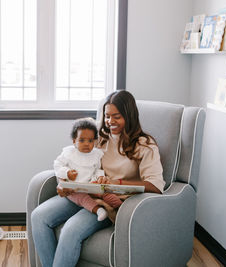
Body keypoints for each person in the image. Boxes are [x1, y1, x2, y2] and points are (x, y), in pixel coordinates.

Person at [31, 90, 165, 267]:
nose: (110, 122)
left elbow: (155, 186)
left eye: (116, 116)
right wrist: (65, 184)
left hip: (111, 202)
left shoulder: (145, 145)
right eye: (107, 116)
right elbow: (74, 158)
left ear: (129, 115)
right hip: (83, 193)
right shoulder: (99, 138)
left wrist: (116, 183)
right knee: (38, 216)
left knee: (71, 230)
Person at [53, 118, 123, 222]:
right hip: (73, 187)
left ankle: (120, 206)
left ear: (94, 141)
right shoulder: (69, 153)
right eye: (82, 140)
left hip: (90, 184)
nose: (86, 144)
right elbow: (58, 165)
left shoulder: (96, 155)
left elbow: (97, 169)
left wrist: (99, 178)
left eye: (90, 141)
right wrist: (67, 173)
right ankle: (98, 210)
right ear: (74, 141)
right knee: (82, 198)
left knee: (105, 191)